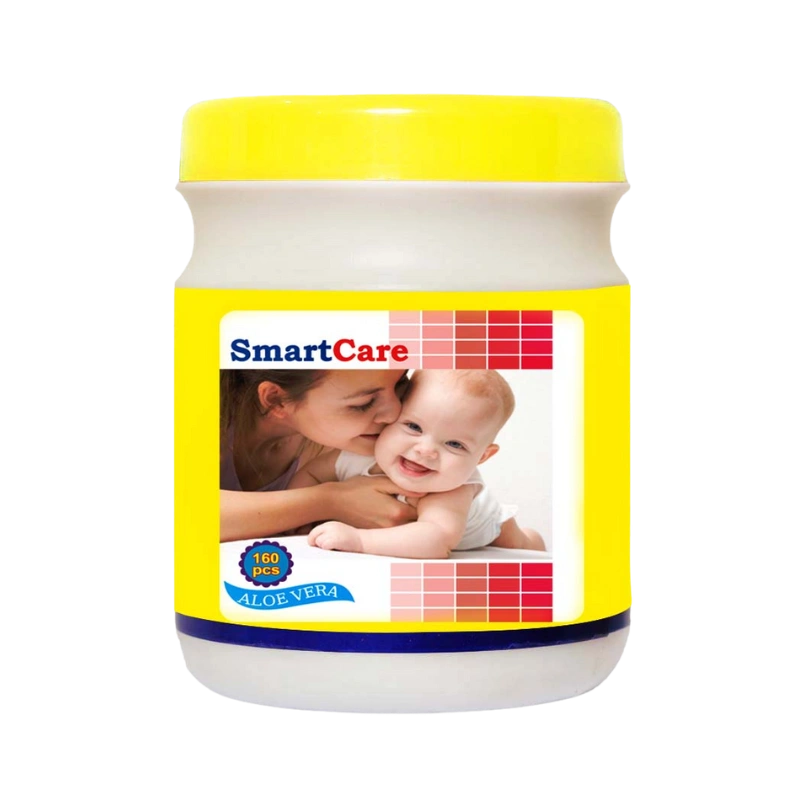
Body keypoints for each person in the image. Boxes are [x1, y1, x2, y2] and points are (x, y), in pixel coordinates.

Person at [289, 370, 546, 558]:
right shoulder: (355, 455)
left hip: (486, 523)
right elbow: (311, 474)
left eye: (455, 444)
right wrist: (298, 522)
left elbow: (435, 540)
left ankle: (532, 539)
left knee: (520, 545)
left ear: (482, 457)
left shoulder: (452, 488)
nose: (426, 450)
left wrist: (359, 540)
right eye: (413, 427)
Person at [220, 369, 422, 542]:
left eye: (400, 383)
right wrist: (331, 501)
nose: (394, 413)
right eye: (364, 403)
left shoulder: (347, 441)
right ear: (276, 400)